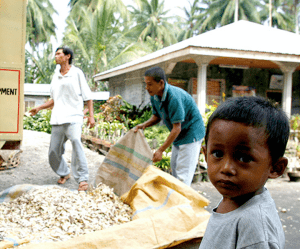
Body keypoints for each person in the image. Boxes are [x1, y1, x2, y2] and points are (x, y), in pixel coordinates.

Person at [199, 96, 289, 249]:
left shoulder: (253, 225)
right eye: (218, 154)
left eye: (243, 157)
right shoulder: (232, 199)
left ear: (275, 168)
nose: (226, 168)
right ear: (205, 153)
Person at [30, 46, 95, 192]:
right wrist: (39, 108)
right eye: (55, 53)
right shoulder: (56, 75)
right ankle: (64, 172)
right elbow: (54, 100)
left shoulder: (77, 73)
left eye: (59, 54)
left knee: (76, 142)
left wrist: (91, 116)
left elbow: (88, 97)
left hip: (74, 117)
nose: (56, 56)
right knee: (53, 151)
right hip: (58, 118)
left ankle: (83, 178)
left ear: (67, 56)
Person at [134, 66, 205, 186]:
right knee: (175, 170)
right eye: (146, 84)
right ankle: (175, 199)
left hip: (191, 133)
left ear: (161, 83)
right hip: (179, 135)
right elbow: (156, 116)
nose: (147, 88)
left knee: (183, 176)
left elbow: (177, 128)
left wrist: (161, 150)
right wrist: (143, 125)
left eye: (150, 84)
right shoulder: (155, 96)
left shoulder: (174, 97)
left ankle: (182, 202)